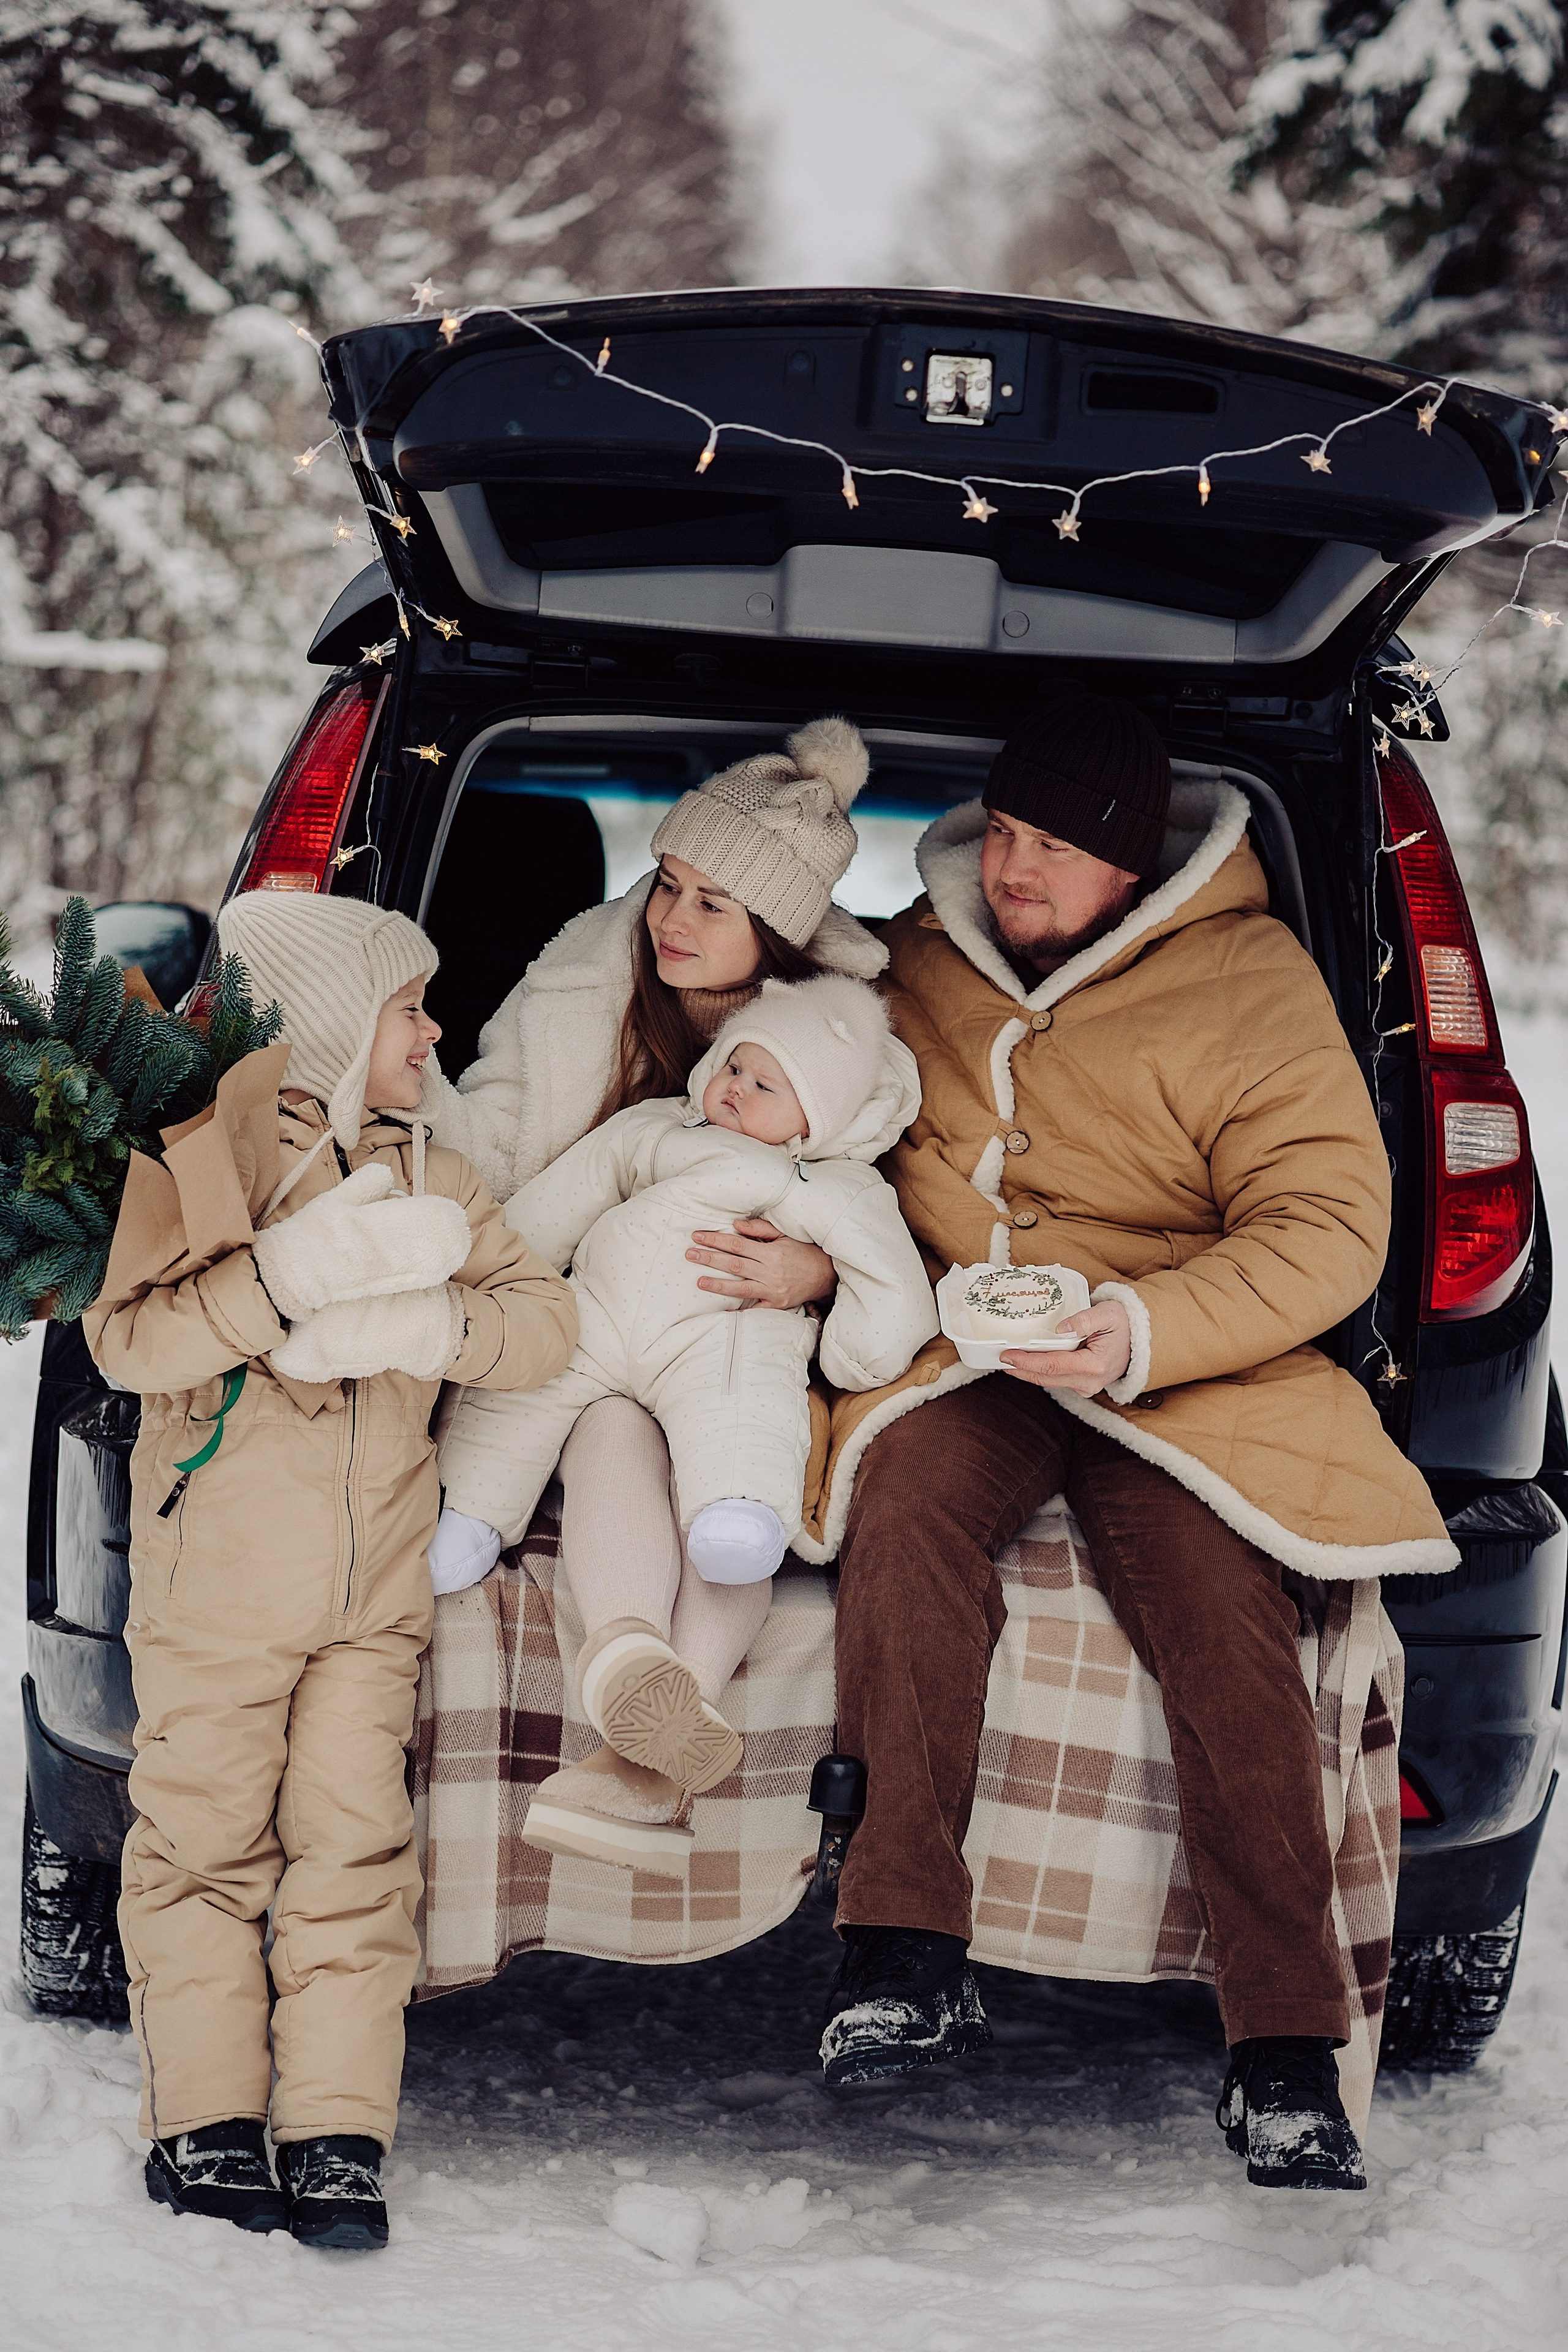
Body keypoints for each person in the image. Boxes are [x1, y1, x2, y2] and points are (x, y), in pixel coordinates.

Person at [816, 692, 1457, 2192]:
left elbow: (1325, 1224)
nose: (1013, 871)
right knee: (898, 1505)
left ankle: (1283, 2054)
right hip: (956, 1344)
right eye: (1006, 836)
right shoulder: (918, 958)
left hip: (1179, 1357)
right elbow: (787, 1091)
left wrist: (1136, 1331)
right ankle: (900, 1946)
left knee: (1228, 1619)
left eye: (1051, 849)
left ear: (1134, 865)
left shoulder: (1250, 981)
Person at [84, 895, 576, 2248]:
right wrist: (287, 1281)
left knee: (358, 1852)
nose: (433, 1031)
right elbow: (129, 1345)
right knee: (201, 1848)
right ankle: (207, 2119)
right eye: (409, 1008)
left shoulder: (434, 1178)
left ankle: (337, 2130)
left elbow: (542, 1325)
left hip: (371, 1598)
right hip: (221, 1588)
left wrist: (425, 1315)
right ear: (330, 1024)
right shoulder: (203, 1163)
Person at [420, 715, 892, 1851]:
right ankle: (645, 1698)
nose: (671, 920)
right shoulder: (589, 981)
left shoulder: (846, 1050)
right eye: (667, 883)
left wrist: (817, 1274)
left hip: (753, 1346)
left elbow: (897, 1223)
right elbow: (496, 1138)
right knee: (609, 1426)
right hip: (596, 1326)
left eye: (712, 904)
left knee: (732, 1495)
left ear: (777, 930)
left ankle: (642, 1746)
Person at [436, 974, 937, 1871]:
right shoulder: (659, 1128)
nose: (737, 1088)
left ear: (815, 1121)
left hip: (729, 1359)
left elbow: (896, 1295)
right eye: (734, 1067)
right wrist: (495, 1275)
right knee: (562, 1409)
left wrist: (841, 1320)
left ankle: (637, 1746)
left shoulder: (835, 1187)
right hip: (603, 1345)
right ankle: (600, 1644)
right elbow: (555, 1204)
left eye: (766, 1085)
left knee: (737, 1499)